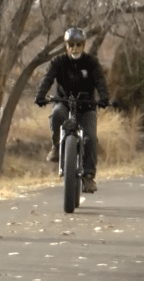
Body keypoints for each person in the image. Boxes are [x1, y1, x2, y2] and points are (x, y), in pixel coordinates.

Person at [34, 27, 110, 193]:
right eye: (71, 44)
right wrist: (40, 95)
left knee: (90, 136)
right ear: (66, 46)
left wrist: (104, 98)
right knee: (55, 115)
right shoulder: (58, 62)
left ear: (83, 45)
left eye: (78, 44)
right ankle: (56, 146)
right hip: (64, 103)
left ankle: (89, 176)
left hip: (86, 106)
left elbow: (100, 81)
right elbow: (47, 79)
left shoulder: (91, 62)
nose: (74, 48)